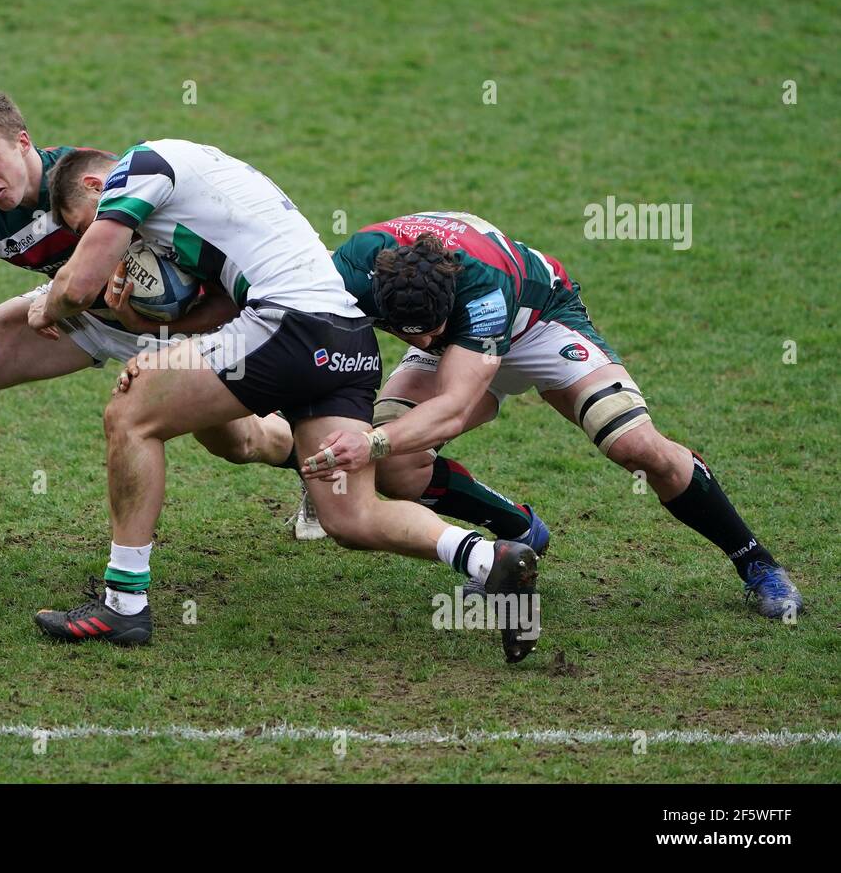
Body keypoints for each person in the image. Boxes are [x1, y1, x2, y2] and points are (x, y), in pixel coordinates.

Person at [30, 142, 541, 663]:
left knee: (130, 415)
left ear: (99, 185)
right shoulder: (213, 178)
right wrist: (159, 338)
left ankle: (123, 604)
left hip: (286, 326)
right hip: (345, 340)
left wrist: (44, 308)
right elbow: (230, 302)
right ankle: (488, 557)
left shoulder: (139, 167)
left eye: (84, 227)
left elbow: (79, 287)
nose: (94, 239)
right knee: (351, 517)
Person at [0, 94, 297, 570]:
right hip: (79, 317)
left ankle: (308, 457)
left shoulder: (95, 176)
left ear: (23, 143)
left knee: (241, 444)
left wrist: (61, 305)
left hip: (177, 329)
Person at [301, 212, 803, 619]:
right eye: (408, 334)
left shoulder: (483, 289)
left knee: (636, 447)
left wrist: (371, 441)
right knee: (398, 465)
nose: (422, 344)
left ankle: (757, 562)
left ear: (448, 301)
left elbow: (452, 410)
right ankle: (518, 531)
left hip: (539, 323)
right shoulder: (352, 269)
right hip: (466, 341)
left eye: (430, 331)